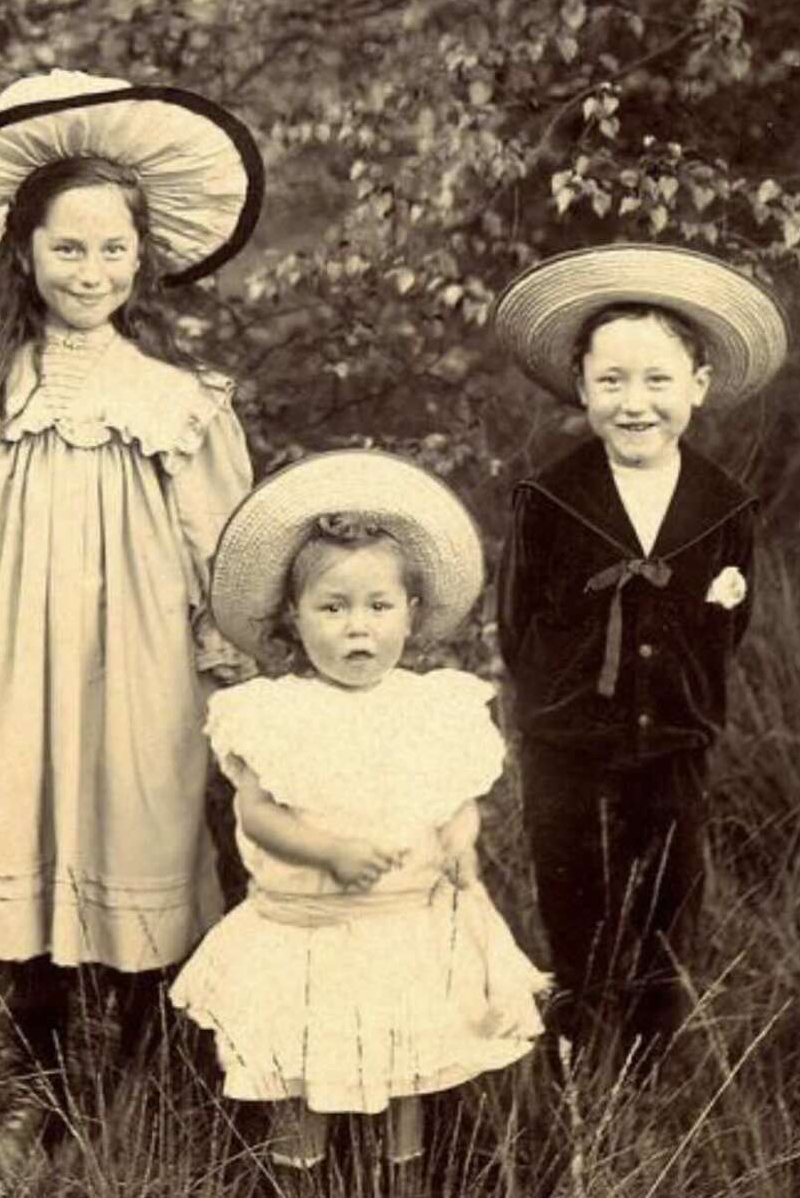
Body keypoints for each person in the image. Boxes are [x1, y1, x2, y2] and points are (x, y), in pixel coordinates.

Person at [0, 70, 263, 1169]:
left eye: (113, 249)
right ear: (24, 253)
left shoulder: (177, 400)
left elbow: (221, 549)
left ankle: (137, 1077)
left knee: (137, 828)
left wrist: (222, 656)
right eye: (68, 249)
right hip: (9, 654)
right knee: (23, 832)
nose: (91, 271)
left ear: (142, 258)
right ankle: (38, 1087)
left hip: (136, 656)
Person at [169, 450, 550, 1179]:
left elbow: (455, 804)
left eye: (378, 607)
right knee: (300, 1060)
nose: (357, 629)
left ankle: (399, 1174)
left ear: (411, 613)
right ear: (293, 615)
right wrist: (328, 852)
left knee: (406, 1061)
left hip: (402, 925)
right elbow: (258, 816)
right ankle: (299, 1172)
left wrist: (459, 843)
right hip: (309, 928)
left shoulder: (430, 707)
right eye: (332, 608)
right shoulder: (275, 714)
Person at [493, 243, 788, 1072]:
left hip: (675, 734)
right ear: (580, 386)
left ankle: (652, 1055)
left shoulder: (722, 504)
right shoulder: (550, 498)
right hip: (567, 738)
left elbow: (731, 622)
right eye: (612, 381)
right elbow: (517, 624)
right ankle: (578, 1042)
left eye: (657, 380)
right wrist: (559, 704)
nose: (634, 404)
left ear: (697, 384)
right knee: (574, 888)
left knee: (669, 889)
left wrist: (682, 679)